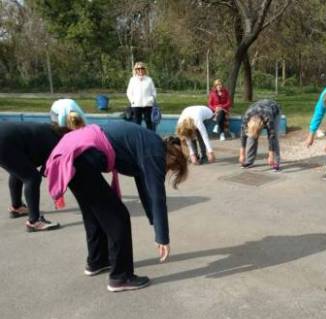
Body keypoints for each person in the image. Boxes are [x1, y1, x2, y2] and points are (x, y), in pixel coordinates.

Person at [45, 122, 188, 292]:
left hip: (71, 154)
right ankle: (121, 277)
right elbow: (157, 196)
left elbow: (145, 187)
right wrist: (162, 237)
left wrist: (154, 222)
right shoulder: (154, 152)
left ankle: (97, 261)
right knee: (117, 218)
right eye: (170, 168)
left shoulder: (148, 144)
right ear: (172, 157)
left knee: (94, 214)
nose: (166, 171)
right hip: (78, 158)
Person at [0, 122, 79, 232]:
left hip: (7, 137)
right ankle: (34, 221)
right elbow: (52, 171)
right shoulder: (57, 142)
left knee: (19, 171)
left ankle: (17, 207)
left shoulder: (48, 131)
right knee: (32, 178)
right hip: (5, 141)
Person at [239, 99, 282, 171]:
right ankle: (249, 161)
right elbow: (243, 135)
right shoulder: (247, 117)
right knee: (251, 138)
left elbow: (272, 137)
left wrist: (270, 156)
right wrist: (242, 155)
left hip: (274, 110)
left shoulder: (268, 118)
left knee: (275, 137)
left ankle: (275, 161)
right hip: (257, 110)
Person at [126, 61, 157, 130]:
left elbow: (154, 91)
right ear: (135, 70)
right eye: (138, 68)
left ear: (144, 69)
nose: (140, 70)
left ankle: (150, 137)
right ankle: (138, 139)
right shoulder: (132, 80)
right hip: (136, 105)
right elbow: (129, 92)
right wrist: (132, 101)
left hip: (147, 105)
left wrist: (151, 99)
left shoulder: (149, 80)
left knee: (148, 122)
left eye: (142, 68)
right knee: (137, 122)